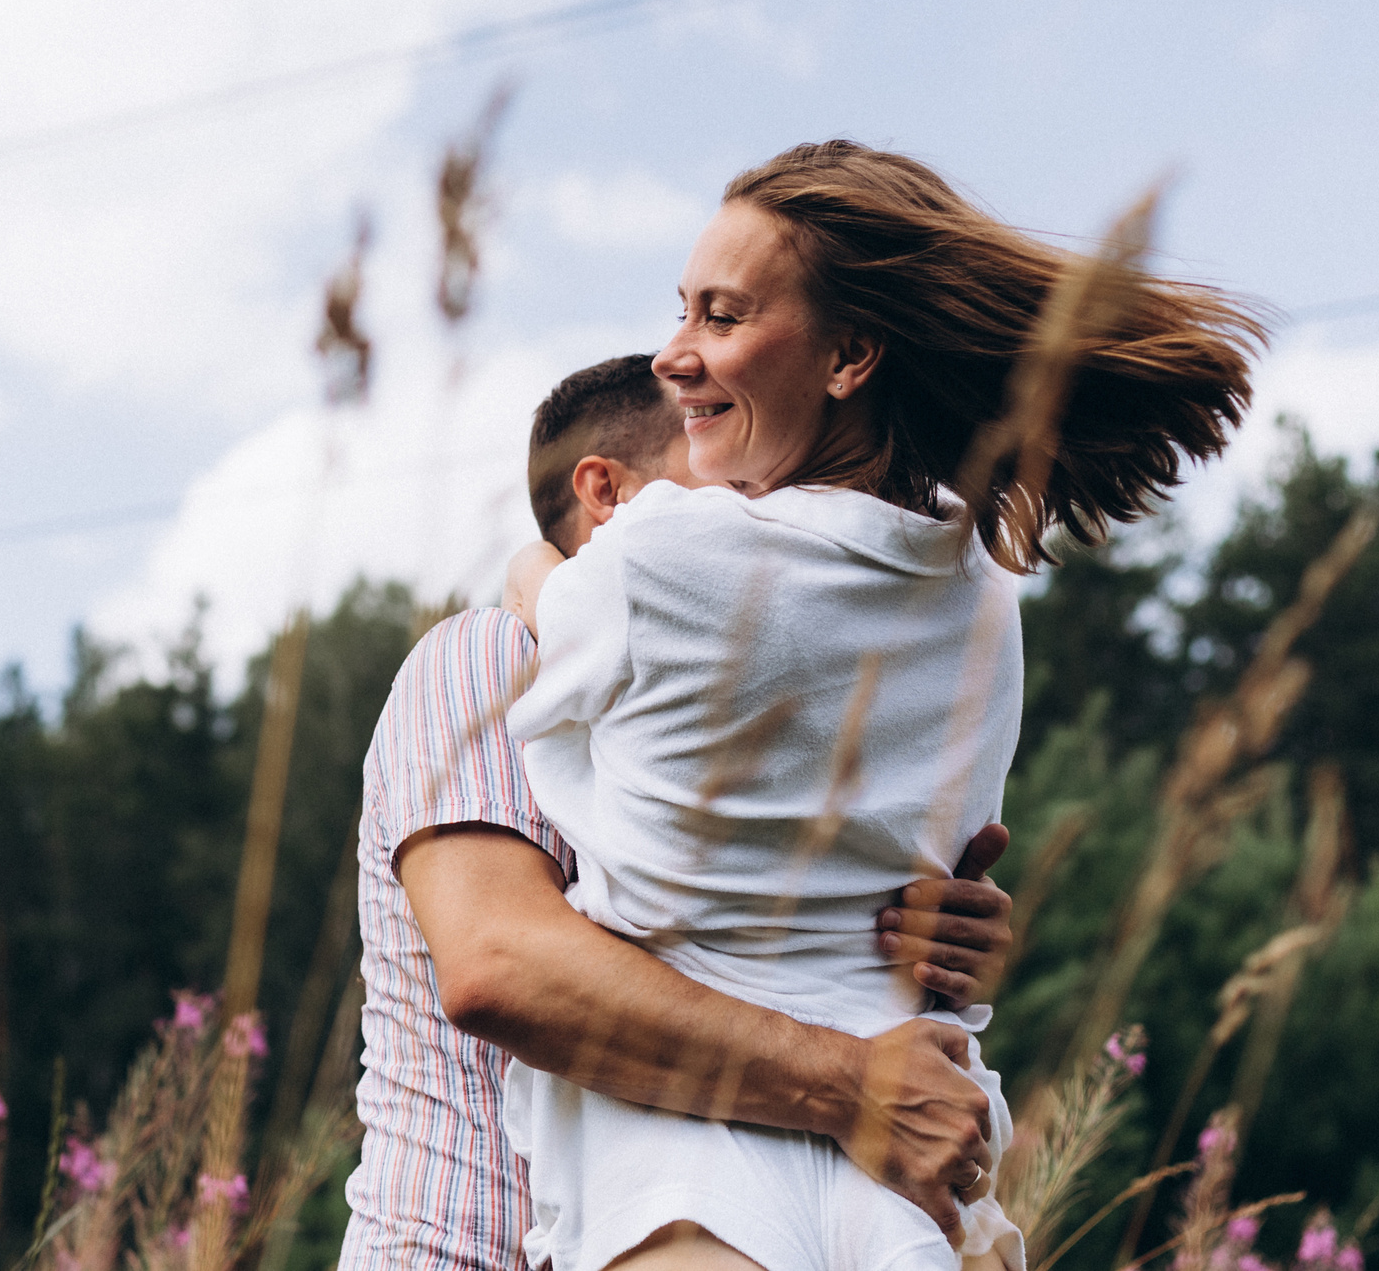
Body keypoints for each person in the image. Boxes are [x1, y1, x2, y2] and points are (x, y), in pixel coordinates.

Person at [503, 141, 1263, 1271]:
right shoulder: (979, 591)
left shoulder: (665, 555)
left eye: (720, 315)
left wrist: (534, 561)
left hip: (683, 1166)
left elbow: (539, 596)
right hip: (913, 1170)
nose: (673, 353)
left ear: (851, 355)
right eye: (683, 309)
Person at [341, 353, 1019, 1271]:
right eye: (729, 487)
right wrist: (858, 1084)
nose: (768, 516)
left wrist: (932, 941)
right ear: (607, 492)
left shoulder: (724, 719)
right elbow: (502, 964)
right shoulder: (490, 658)